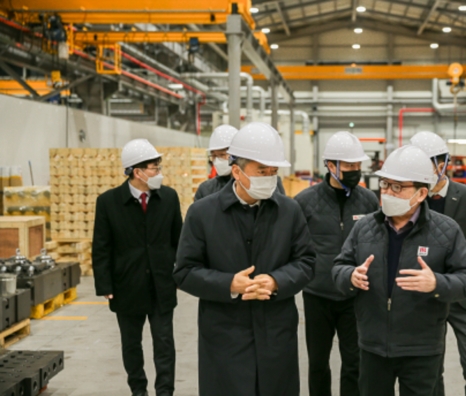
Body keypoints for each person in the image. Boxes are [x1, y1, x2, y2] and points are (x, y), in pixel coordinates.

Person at [173, 121, 316, 396]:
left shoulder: (289, 211)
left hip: (276, 332)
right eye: (262, 170)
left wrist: (276, 280)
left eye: (274, 171)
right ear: (236, 170)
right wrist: (230, 284)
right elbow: (184, 272)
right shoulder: (202, 213)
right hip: (225, 334)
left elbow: (307, 262)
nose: (269, 177)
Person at [332, 145, 466, 396]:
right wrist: (350, 276)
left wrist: (437, 283)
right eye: (385, 185)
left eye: (398, 187)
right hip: (373, 345)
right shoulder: (365, 227)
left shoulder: (446, 231)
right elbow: (338, 267)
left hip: (421, 349)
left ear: (422, 193)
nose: (388, 193)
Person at [92, 139, 183, 396]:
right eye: (154, 168)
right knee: (131, 345)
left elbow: (180, 240)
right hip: (126, 287)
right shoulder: (108, 202)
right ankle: (138, 391)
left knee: (164, 344)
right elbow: (101, 247)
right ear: (137, 171)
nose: (159, 173)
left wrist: (178, 274)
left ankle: (165, 391)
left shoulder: (169, 198)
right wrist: (105, 285)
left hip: (162, 285)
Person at [295, 131, 379, 396]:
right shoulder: (305, 202)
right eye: (349, 166)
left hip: (354, 295)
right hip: (316, 295)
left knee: (354, 361)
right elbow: (295, 247)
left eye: (358, 166)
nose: (356, 171)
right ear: (331, 166)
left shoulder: (368, 200)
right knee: (318, 363)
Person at [410, 131, 466, 396]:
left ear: (445, 162)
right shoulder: (414, 200)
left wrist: (459, 274)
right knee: (431, 366)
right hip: (429, 296)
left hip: (465, 296)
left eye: (432, 163)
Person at [194, 124, 285, 201]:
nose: (217, 161)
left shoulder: (270, 181)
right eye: (214, 156)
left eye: (222, 155)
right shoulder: (206, 189)